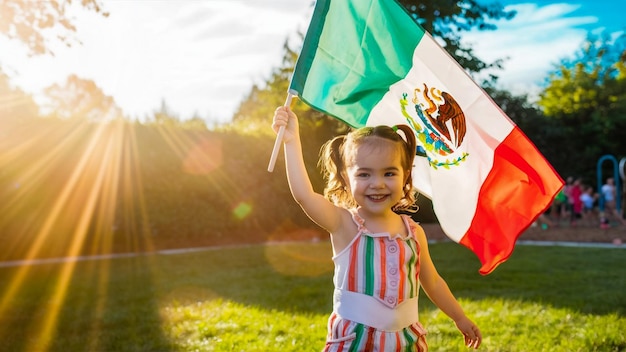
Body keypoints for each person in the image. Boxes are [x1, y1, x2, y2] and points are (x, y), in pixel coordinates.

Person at [272, 106, 481, 351]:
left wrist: (459, 317)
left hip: (406, 342)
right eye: (364, 174)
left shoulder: (414, 233)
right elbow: (304, 196)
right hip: (355, 342)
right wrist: (290, 140)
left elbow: (433, 282)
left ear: (405, 176)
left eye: (389, 173)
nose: (377, 184)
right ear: (345, 178)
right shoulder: (343, 224)